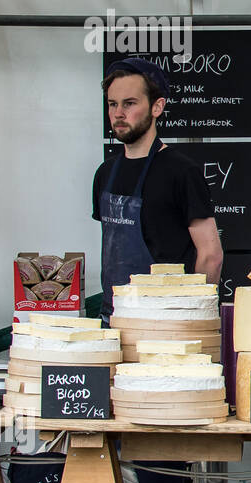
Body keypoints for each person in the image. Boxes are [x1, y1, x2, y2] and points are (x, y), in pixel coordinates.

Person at [92, 57, 223, 323]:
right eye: (112, 104)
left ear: (157, 107)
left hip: (167, 320)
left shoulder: (181, 172)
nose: (118, 114)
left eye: (129, 104)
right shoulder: (104, 173)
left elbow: (211, 256)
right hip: (115, 316)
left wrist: (191, 315)